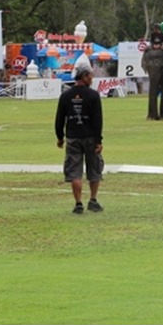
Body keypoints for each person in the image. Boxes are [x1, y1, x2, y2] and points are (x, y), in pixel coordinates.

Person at [54, 57, 104, 215]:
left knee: (74, 171)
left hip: (73, 138)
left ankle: (78, 203)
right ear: (84, 76)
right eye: (90, 75)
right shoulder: (93, 95)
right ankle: (93, 200)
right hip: (90, 137)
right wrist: (98, 140)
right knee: (94, 169)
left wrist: (60, 137)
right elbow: (98, 120)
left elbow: (60, 119)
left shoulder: (66, 95)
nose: (92, 78)